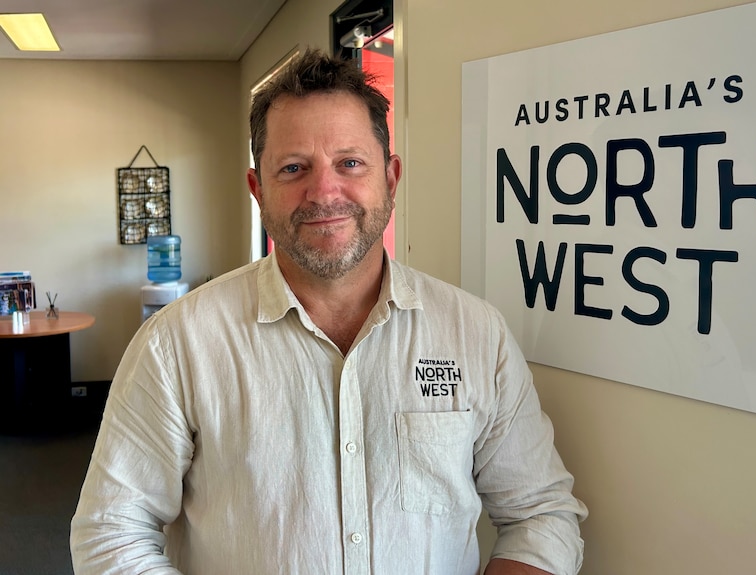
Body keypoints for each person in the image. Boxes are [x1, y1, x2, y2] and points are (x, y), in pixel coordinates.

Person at [70, 47, 588, 575]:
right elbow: (112, 533)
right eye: (294, 168)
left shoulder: (476, 334)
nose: (324, 191)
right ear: (258, 190)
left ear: (390, 178)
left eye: (350, 163)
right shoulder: (177, 344)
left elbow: (540, 516)